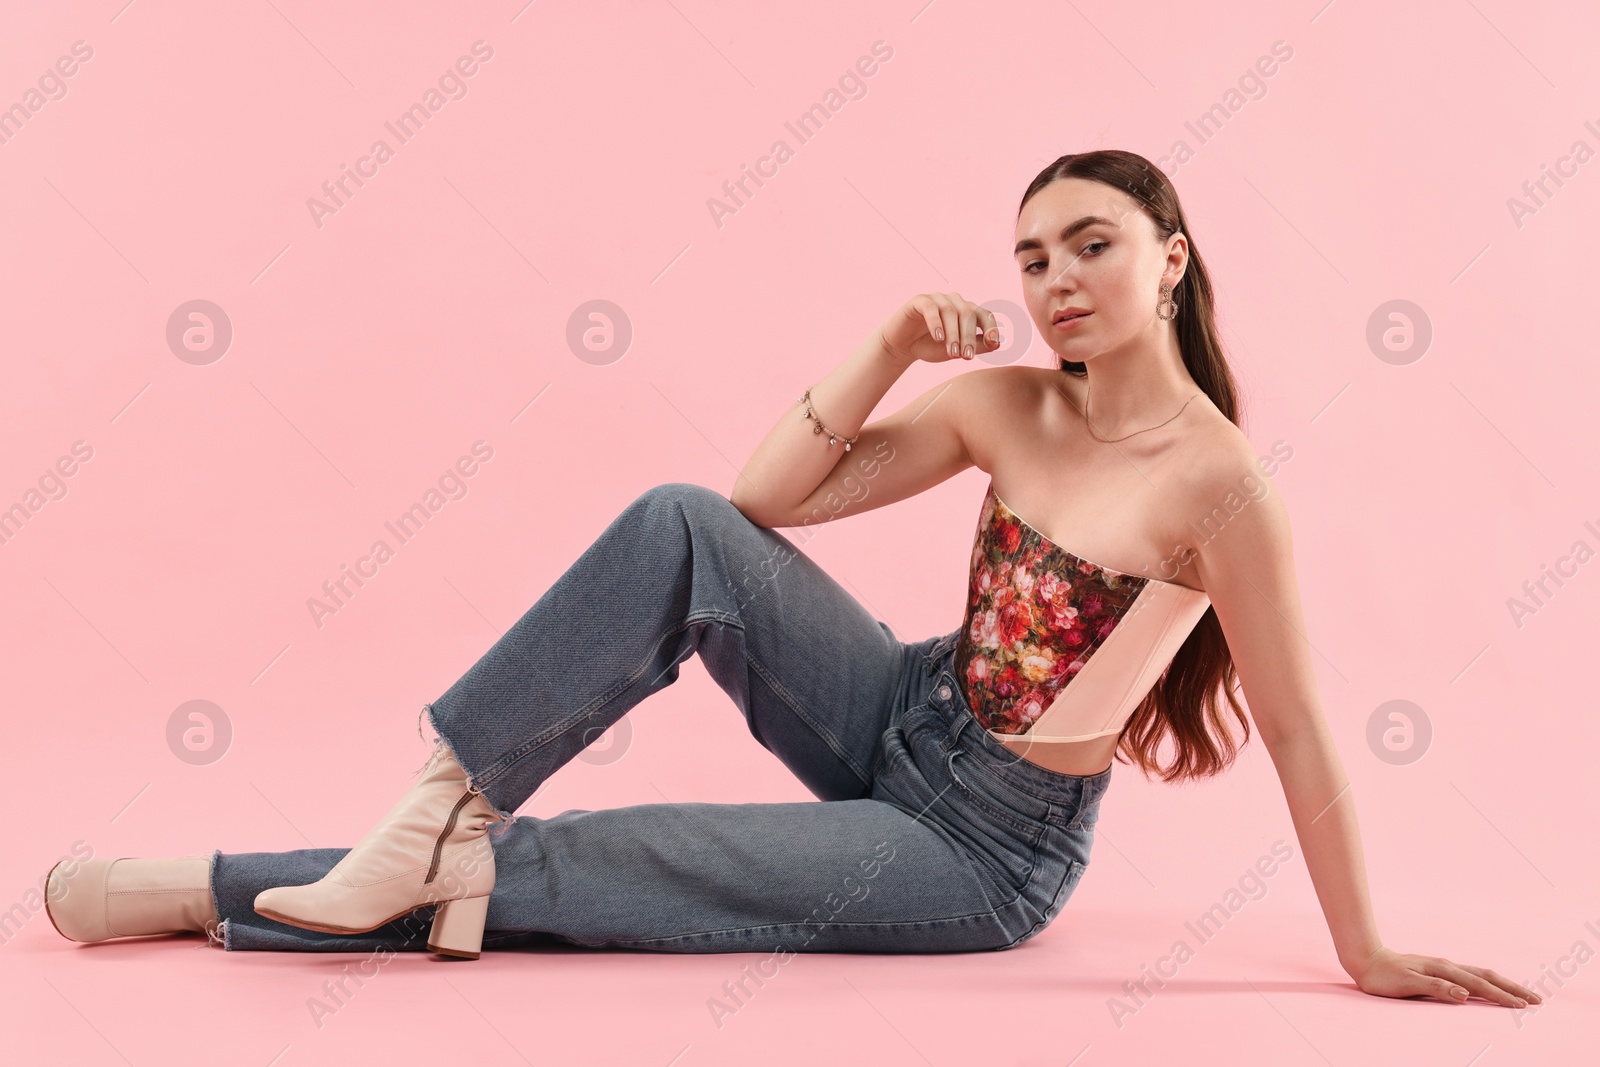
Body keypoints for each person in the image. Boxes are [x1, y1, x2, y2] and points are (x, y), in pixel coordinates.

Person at [44, 150, 1538, 1009]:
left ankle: (194, 888)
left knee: (605, 864)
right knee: (679, 518)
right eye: (1030, 256)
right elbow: (760, 507)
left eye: (1092, 243)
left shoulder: (1223, 492)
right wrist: (891, 338)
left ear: (1173, 260)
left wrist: (1365, 948)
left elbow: (1295, 730)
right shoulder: (1006, 403)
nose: (1056, 278)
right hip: (896, 706)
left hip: (984, 850)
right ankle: (432, 807)